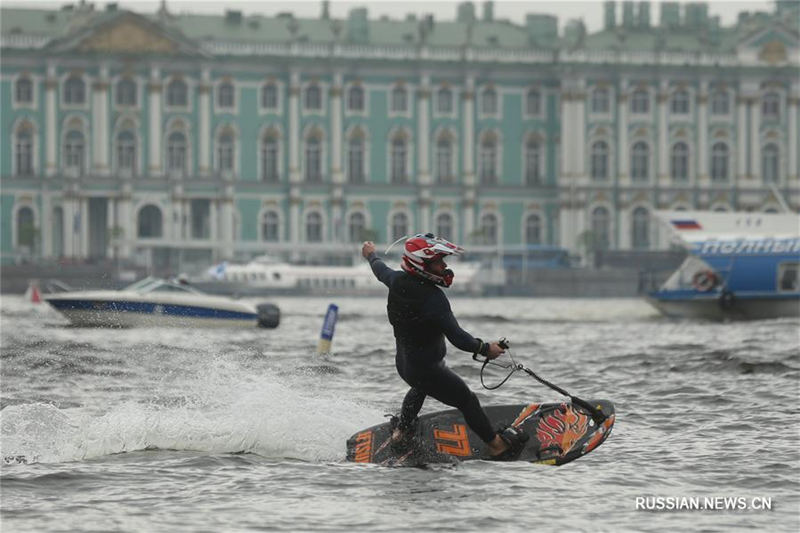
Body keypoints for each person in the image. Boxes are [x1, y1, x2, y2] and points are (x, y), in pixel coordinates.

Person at [362, 233, 528, 460]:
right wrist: (485, 348)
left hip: (405, 366)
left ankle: (402, 430)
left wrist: (371, 255)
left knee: (420, 387)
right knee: (467, 400)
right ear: (422, 265)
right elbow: (459, 338)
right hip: (428, 370)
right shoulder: (433, 299)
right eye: (439, 262)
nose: (445, 265)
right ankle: (496, 444)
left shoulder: (397, 280)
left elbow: (379, 269)